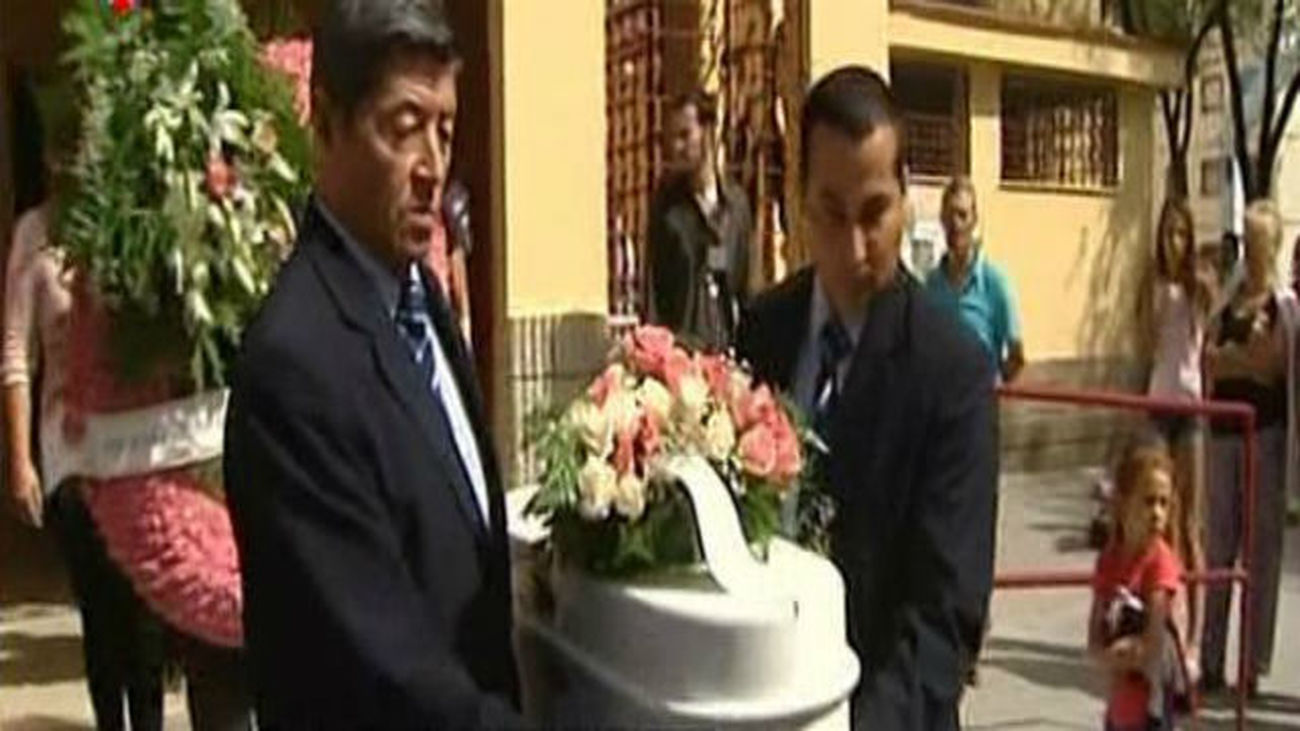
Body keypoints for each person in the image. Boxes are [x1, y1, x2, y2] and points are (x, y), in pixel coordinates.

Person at [223, 1, 526, 727]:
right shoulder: (296, 365)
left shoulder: (420, 297)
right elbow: (381, 665)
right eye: (403, 128)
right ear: (326, 122)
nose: (432, 168)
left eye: (445, 132)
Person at [737, 65, 998, 730]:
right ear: (799, 200)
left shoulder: (952, 372)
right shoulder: (762, 330)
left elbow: (944, 616)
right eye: (831, 212)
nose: (854, 247)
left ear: (907, 193)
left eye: (876, 212)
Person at [3, 72, 167, 731]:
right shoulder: (32, 237)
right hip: (71, 450)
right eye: (66, 154)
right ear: (49, 159)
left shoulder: (130, 228)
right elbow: (14, 352)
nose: (78, 166)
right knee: (101, 613)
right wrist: (21, 460)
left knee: (146, 614)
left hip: (137, 447)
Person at [1201, 199, 1299, 697]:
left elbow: (1273, 367)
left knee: (1260, 549)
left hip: (1266, 434)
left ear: (1275, 246)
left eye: (1263, 242)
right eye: (1249, 239)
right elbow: (1211, 361)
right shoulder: (1228, 301)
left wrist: (1235, 361)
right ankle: (1212, 660)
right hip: (1222, 433)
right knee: (1219, 545)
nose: (1255, 251)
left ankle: (1252, 666)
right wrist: (1240, 359)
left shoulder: (1282, 307)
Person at [1144, 197, 1213, 684]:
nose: (1173, 243)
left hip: (1189, 409)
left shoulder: (1197, 288)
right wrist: (1150, 300)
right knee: (1158, 526)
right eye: (1167, 233)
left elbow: (1204, 340)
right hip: (1157, 405)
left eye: (1181, 235)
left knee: (1189, 527)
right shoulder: (1152, 288)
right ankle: (1165, 626)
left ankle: (1196, 639)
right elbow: (1145, 342)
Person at [1088, 437, 1189, 731]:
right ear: (1123, 503)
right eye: (1148, 501)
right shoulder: (1109, 561)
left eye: (1164, 503)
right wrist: (1105, 655)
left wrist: (1131, 651)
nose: (1157, 512)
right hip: (1119, 697)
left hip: (1153, 699)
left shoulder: (1161, 562)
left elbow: (1154, 640)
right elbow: (1094, 637)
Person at [646, 89, 753, 351]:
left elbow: (748, 285)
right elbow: (652, 294)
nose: (676, 147)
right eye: (671, 138)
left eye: (684, 135)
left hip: (726, 355)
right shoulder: (666, 209)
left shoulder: (735, 206)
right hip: (680, 360)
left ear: (707, 132)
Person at [923, 176, 1025, 382]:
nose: (956, 224)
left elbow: (1016, 355)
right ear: (941, 219)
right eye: (949, 215)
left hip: (979, 406)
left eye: (962, 215)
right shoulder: (931, 285)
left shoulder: (995, 282)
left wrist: (989, 389)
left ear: (974, 220)